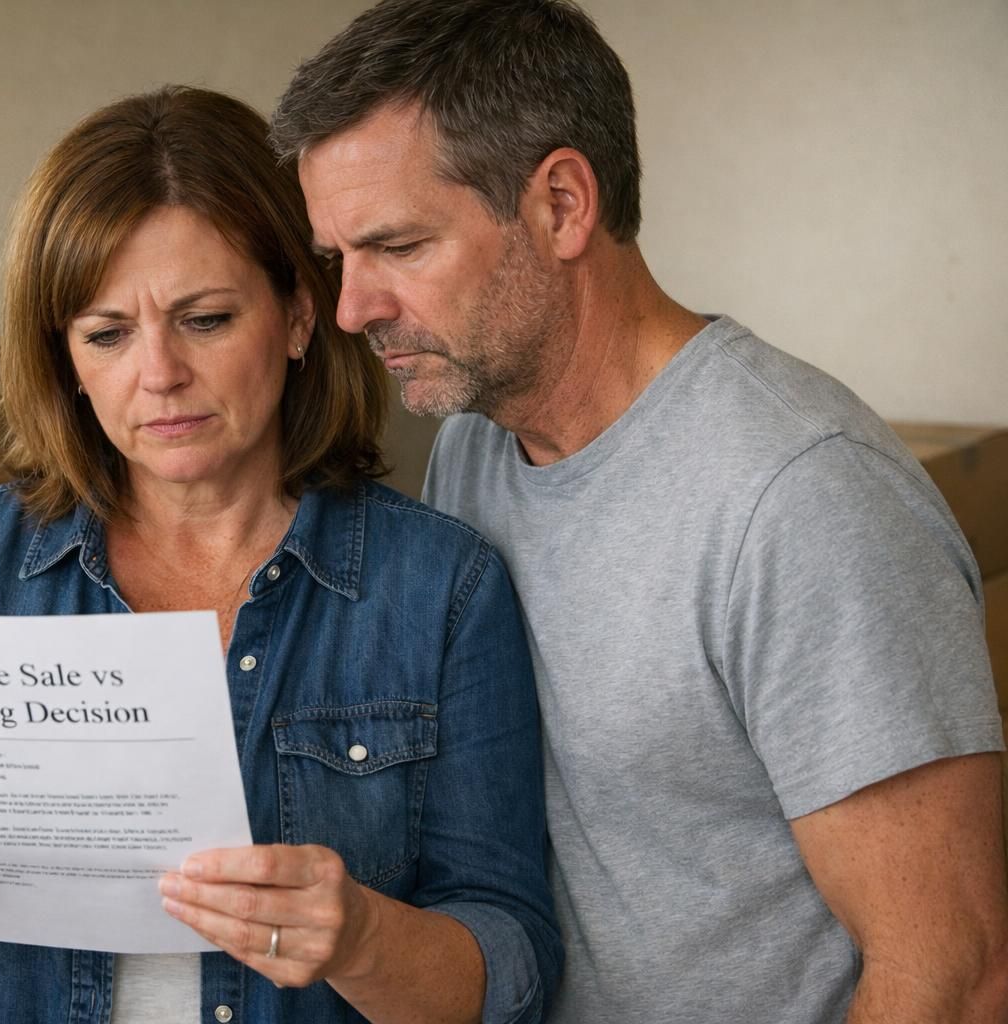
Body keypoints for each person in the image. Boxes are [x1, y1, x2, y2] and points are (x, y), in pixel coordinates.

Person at [272, 1, 1008, 1022]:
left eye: (397, 246)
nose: (354, 309)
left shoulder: (801, 499)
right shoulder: (474, 449)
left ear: (564, 205)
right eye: (337, 257)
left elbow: (955, 975)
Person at [0, 85, 560, 1024]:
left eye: (207, 318)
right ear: (65, 359)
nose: (159, 375)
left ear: (300, 316)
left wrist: (361, 939)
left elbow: (508, 963)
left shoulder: (441, 585)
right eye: (107, 334)